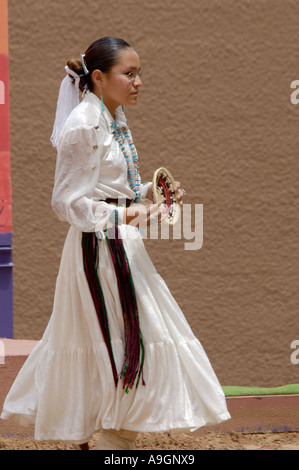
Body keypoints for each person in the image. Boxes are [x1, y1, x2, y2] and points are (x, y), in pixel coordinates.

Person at [0, 37, 230, 450]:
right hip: (100, 248)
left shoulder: (113, 115)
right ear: (100, 77)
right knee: (123, 337)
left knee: (123, 335)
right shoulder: (84, 124)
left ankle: (114, 432)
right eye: (129, 73)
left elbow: (107, 185)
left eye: (139, 73)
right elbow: (66, 202)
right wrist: (124, 214)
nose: (138, 81)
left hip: (121, 241)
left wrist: (148, 194)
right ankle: (111, 435)